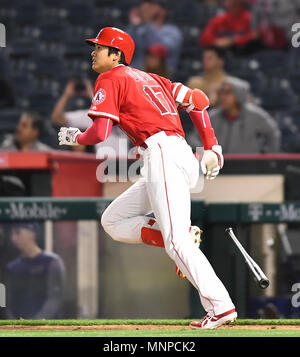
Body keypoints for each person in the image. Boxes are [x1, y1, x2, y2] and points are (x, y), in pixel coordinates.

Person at [58, 27, 237, 329]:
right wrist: (212, 146)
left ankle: (220, 307)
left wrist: (74, 135)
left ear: (116, 55)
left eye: (100, 48)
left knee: (176, 241)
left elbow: (99, 134)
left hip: (163, 156)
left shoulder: (110, 77)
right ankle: (181, 236)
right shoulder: (155, 78)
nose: (93, 52)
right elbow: (198, 99)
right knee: (113, 221)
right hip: (178, 156)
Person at [188, 76, 281, 153]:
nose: (223, 96)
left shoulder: (255, 115)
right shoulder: (213, 116)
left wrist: (268, 160)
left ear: (239, 94)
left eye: (228, 92)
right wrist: (206, 154)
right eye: (221, 92)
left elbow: (273, 133)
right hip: (220, 169)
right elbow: (193, 138)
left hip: (249, 169)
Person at [51, 79, 129, 158]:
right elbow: (57, 118)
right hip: (98, 164)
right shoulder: (89, 115)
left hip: (121, 164)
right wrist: (66, 95)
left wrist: (93, 95)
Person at [5, 222, 65, 319]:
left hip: (47, 329)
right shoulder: (12, 267)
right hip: (18, 330)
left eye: (17, 232)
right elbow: (7, 301)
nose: (13, 238)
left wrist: (35, 324)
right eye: (12, 234)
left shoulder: (52, 262)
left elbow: (55, 298)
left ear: (32, 234)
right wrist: (14, 324)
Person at [127, 0, 183, 74]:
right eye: (145, 4)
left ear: (162, 11)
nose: (146, 8)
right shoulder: (139, 28)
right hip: (137, 74)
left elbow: (161, 49)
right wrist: (134, 25)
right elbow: (126, 47)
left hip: (163, 76)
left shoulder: (172, 31)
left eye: (152, 5)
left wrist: (147, 22)